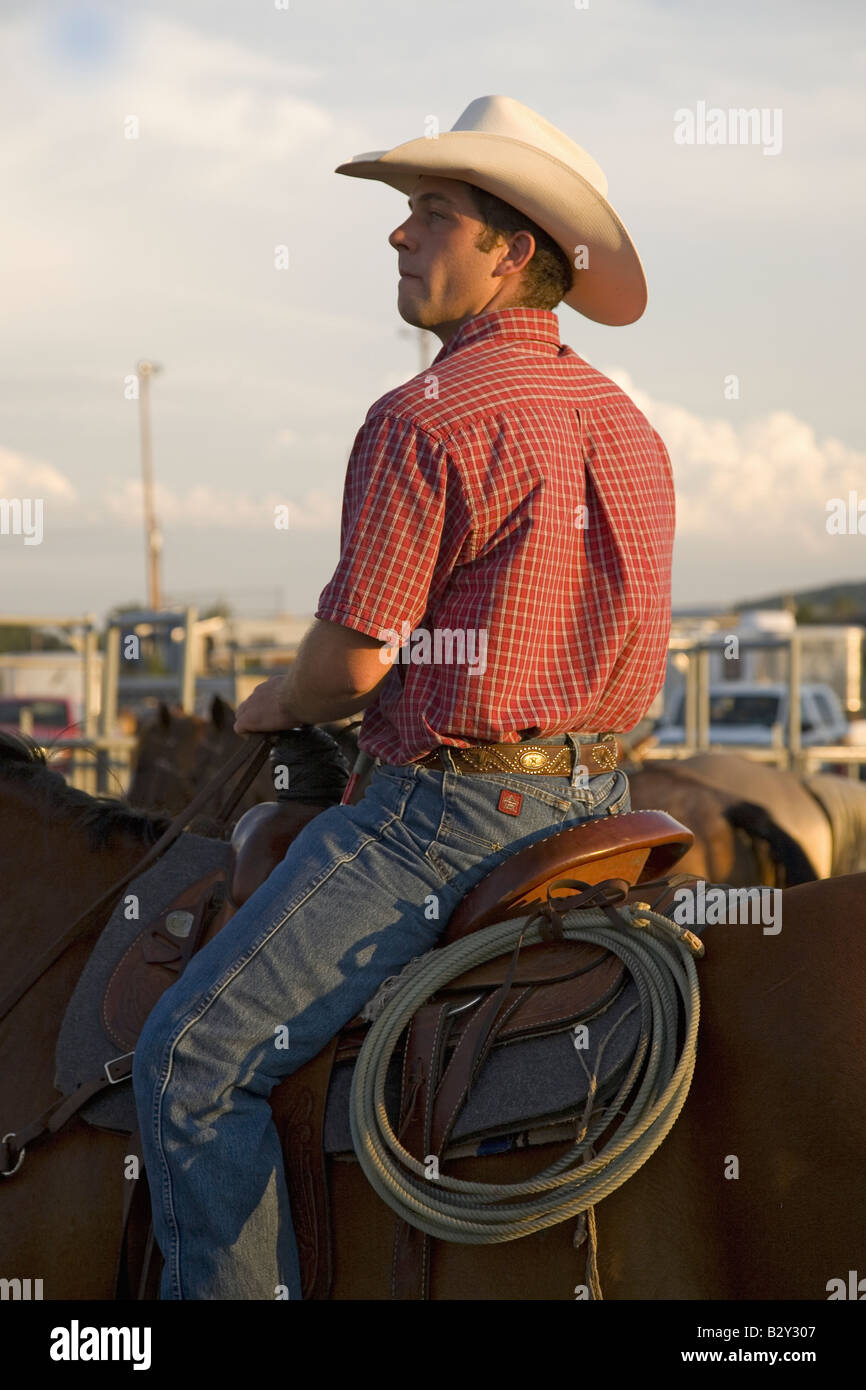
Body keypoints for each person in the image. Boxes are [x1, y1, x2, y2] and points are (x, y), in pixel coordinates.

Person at [132, 94, 675, 1300]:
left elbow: (350, 668)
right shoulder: (630, 425)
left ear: (510, 250)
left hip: (447, 821)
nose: (397, 236)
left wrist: (278, 696)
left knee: (190, 1058)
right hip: (604, 810)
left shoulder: (424, 417)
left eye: (430, 213)